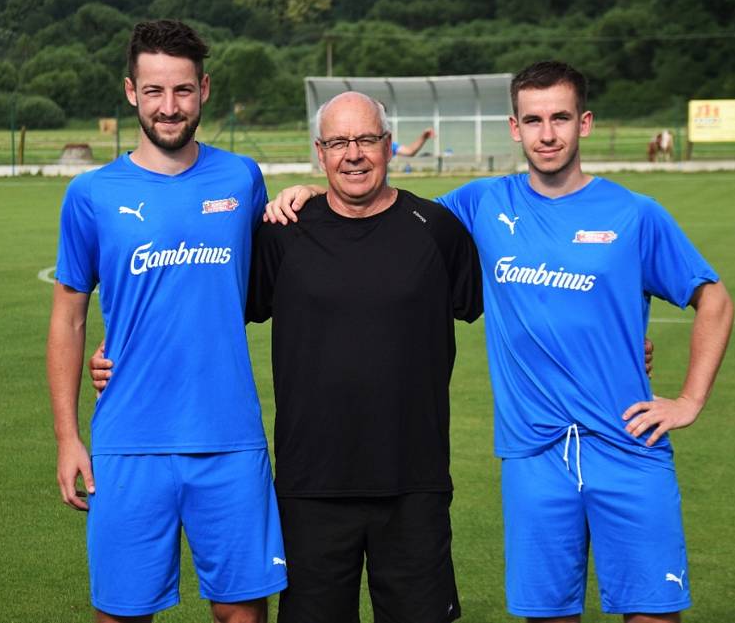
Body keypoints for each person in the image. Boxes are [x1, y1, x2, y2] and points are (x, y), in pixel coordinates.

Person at [263, 61, 734, 623]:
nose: (548, 133)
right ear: (515, 128)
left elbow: (714, 298)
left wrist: (688, 401)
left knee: (652, 613)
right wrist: (313, 193)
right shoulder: (478, 206)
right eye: (533, 120)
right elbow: (379, 203)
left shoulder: (633, 213)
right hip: (533, 454)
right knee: (548, 614)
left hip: (625, 443)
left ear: (584, 123)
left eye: (560, 118)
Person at [91, 90, 482, 623]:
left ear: (389, 147)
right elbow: (207, 303)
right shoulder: (282, 234)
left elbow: (507, 311)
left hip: (414, 481)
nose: (354, 154)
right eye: (339, 142)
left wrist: (627, 344)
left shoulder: (436, 230)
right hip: (309, 487)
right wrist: (123, 354)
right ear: (319, 153)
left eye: (366, 139)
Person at [46, 20, 286, 623]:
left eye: (182, 90)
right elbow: (69, 317)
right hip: (128, 441)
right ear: (131, 92)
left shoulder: (242, 178)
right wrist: (68, 438)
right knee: (121, 613)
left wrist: (304, 192)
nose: (169, 106)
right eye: (154, 91)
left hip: (229, 436)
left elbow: (287, 262)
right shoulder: (91, 194)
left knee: (242, 615)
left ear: (204, 89)